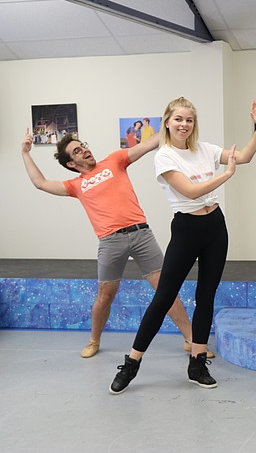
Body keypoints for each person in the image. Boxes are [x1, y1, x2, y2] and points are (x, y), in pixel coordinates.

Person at [109, 97, 256, 394]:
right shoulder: (164, 156)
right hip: (187, 229)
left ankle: (197, 363)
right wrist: (226, 175)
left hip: (215, 227)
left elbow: (243, 155)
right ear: (167, 121)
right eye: (178, 119)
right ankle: (132, 362)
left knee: (206, 296)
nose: (184, 124)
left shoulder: (204, 149)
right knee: (164, 297)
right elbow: (191, 193)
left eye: (189, 120)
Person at [21, 128, 197, 359]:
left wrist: (170, 126)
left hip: (141, 234)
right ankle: (94, 340)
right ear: (71, 163)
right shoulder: (76, 185)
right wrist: (25, 153)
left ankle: (191, 340)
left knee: (166, 289)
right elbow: (41, 183)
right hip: (110, 241)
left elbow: (147, 145)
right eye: (77, 150)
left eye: (82, 144)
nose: (84, 149)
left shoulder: (115, 160)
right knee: (105, 296)